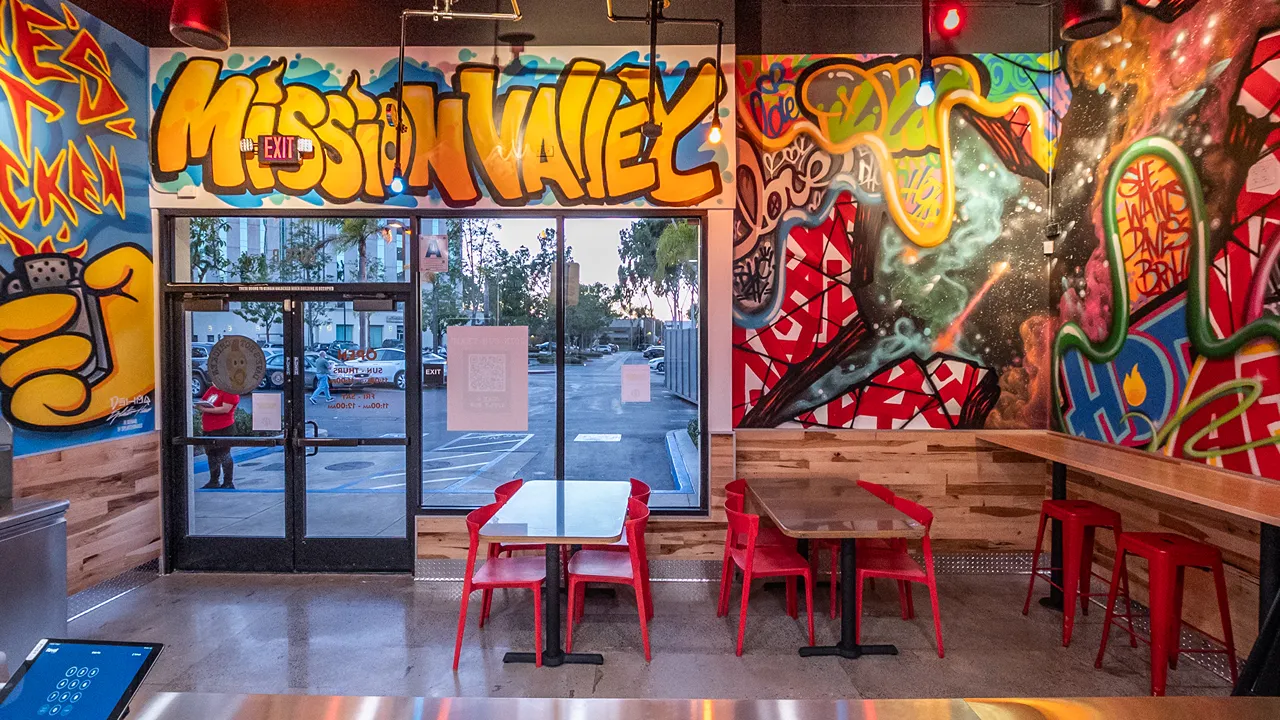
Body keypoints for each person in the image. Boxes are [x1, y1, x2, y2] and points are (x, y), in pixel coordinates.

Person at [197, 384, 239, 489]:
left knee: (224, 454)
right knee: (211, 454)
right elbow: (203, 401)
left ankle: (228, 481)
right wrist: (200, 406)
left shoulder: (230, 392)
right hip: (209, 428)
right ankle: (213, 480)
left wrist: (205, 409)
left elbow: (225, 409)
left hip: (223, 428)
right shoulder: (212, 389)